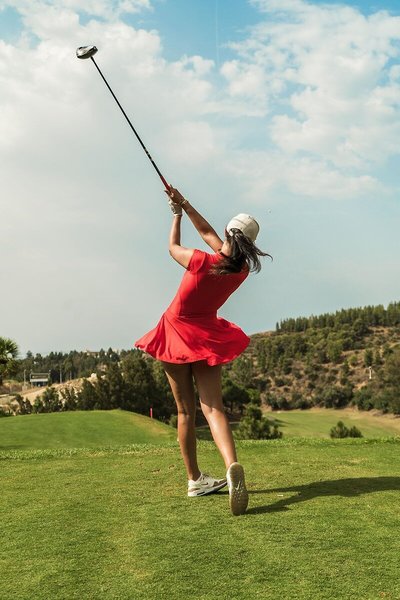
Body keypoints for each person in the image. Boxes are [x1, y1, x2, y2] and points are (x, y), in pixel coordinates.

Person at [135, 187, 269, 516]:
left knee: (185, 412)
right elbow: (209, 234)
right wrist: (184, 203)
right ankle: (231, 464)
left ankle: (194, 479)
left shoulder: (200, 261)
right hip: (207, 335)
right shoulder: (239, 270)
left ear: (228, 233)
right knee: (214, 408)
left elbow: (173, 248)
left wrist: (176, 216)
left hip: (175, 334)